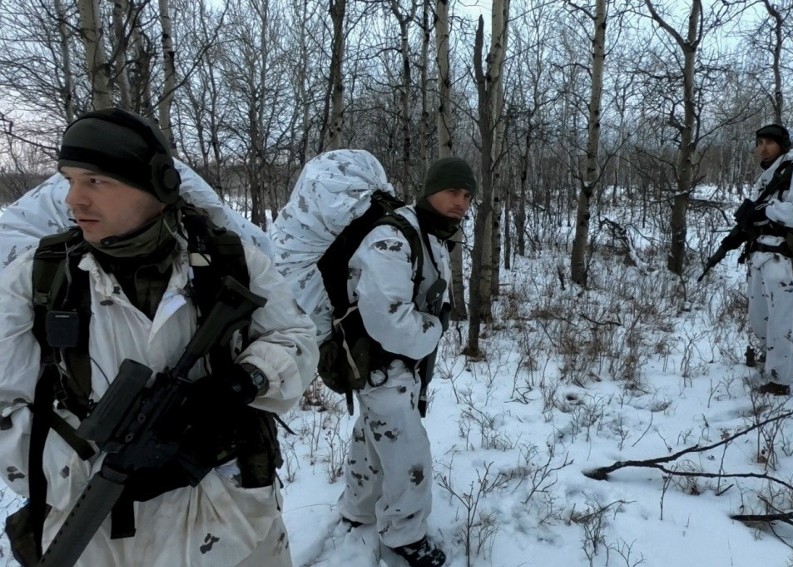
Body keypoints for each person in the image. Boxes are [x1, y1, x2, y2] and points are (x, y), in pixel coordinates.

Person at [0, 108, 318, 566]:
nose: (74, 199)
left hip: (228, 515)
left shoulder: (229, 260)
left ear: (157, 185)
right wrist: (84, 469)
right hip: (99, 529)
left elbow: (294, 337)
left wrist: (242, 382)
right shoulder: (37, 277)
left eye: (96, 181)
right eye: (69, 179)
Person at [336, 157, 476, 567]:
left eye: (468, 196)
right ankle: (404, 535)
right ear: (431, 189)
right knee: (408, 453)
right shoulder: (393, 237)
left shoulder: (430, 232)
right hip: (382, 363)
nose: (461, 202)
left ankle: (358, 508)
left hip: (394, 366)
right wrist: (434, 330)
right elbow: (388, 319)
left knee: (371, 437)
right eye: (453, 191)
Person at [721, 124, 793, 396]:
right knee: (760, 318)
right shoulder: (769, 174)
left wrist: (769, 209)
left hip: (785, 256)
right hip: (760, 254)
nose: (763, 147)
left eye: (769, 142)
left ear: (783, 144)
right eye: (759, 142)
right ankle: (771, 360)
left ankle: (781, 379)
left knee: (785, 319)